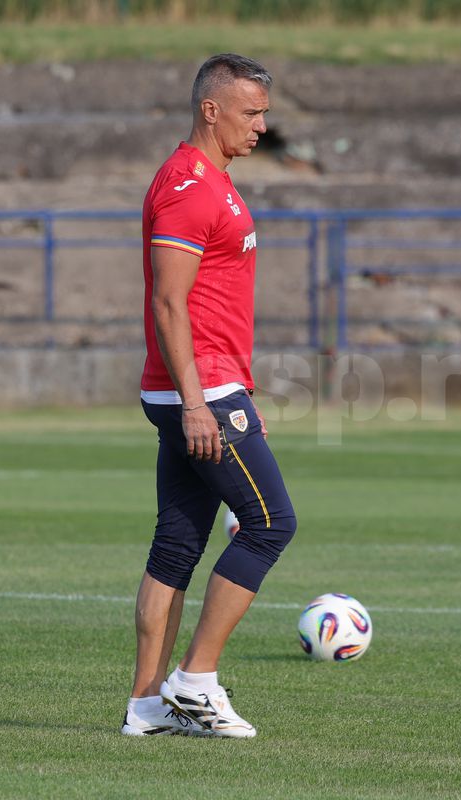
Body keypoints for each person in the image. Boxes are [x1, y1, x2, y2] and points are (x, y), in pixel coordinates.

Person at [120, 53, 296, 739]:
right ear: (210, 109)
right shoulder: (189, 188)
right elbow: (169, 303)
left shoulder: (210, 180)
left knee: (177, 544)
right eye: (251, 113)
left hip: (208, 386)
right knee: (269, 524)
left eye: (265, 114)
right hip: (199, 392)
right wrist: (201, 403)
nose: (261, 127)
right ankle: (195, 681)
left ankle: (146, 708)